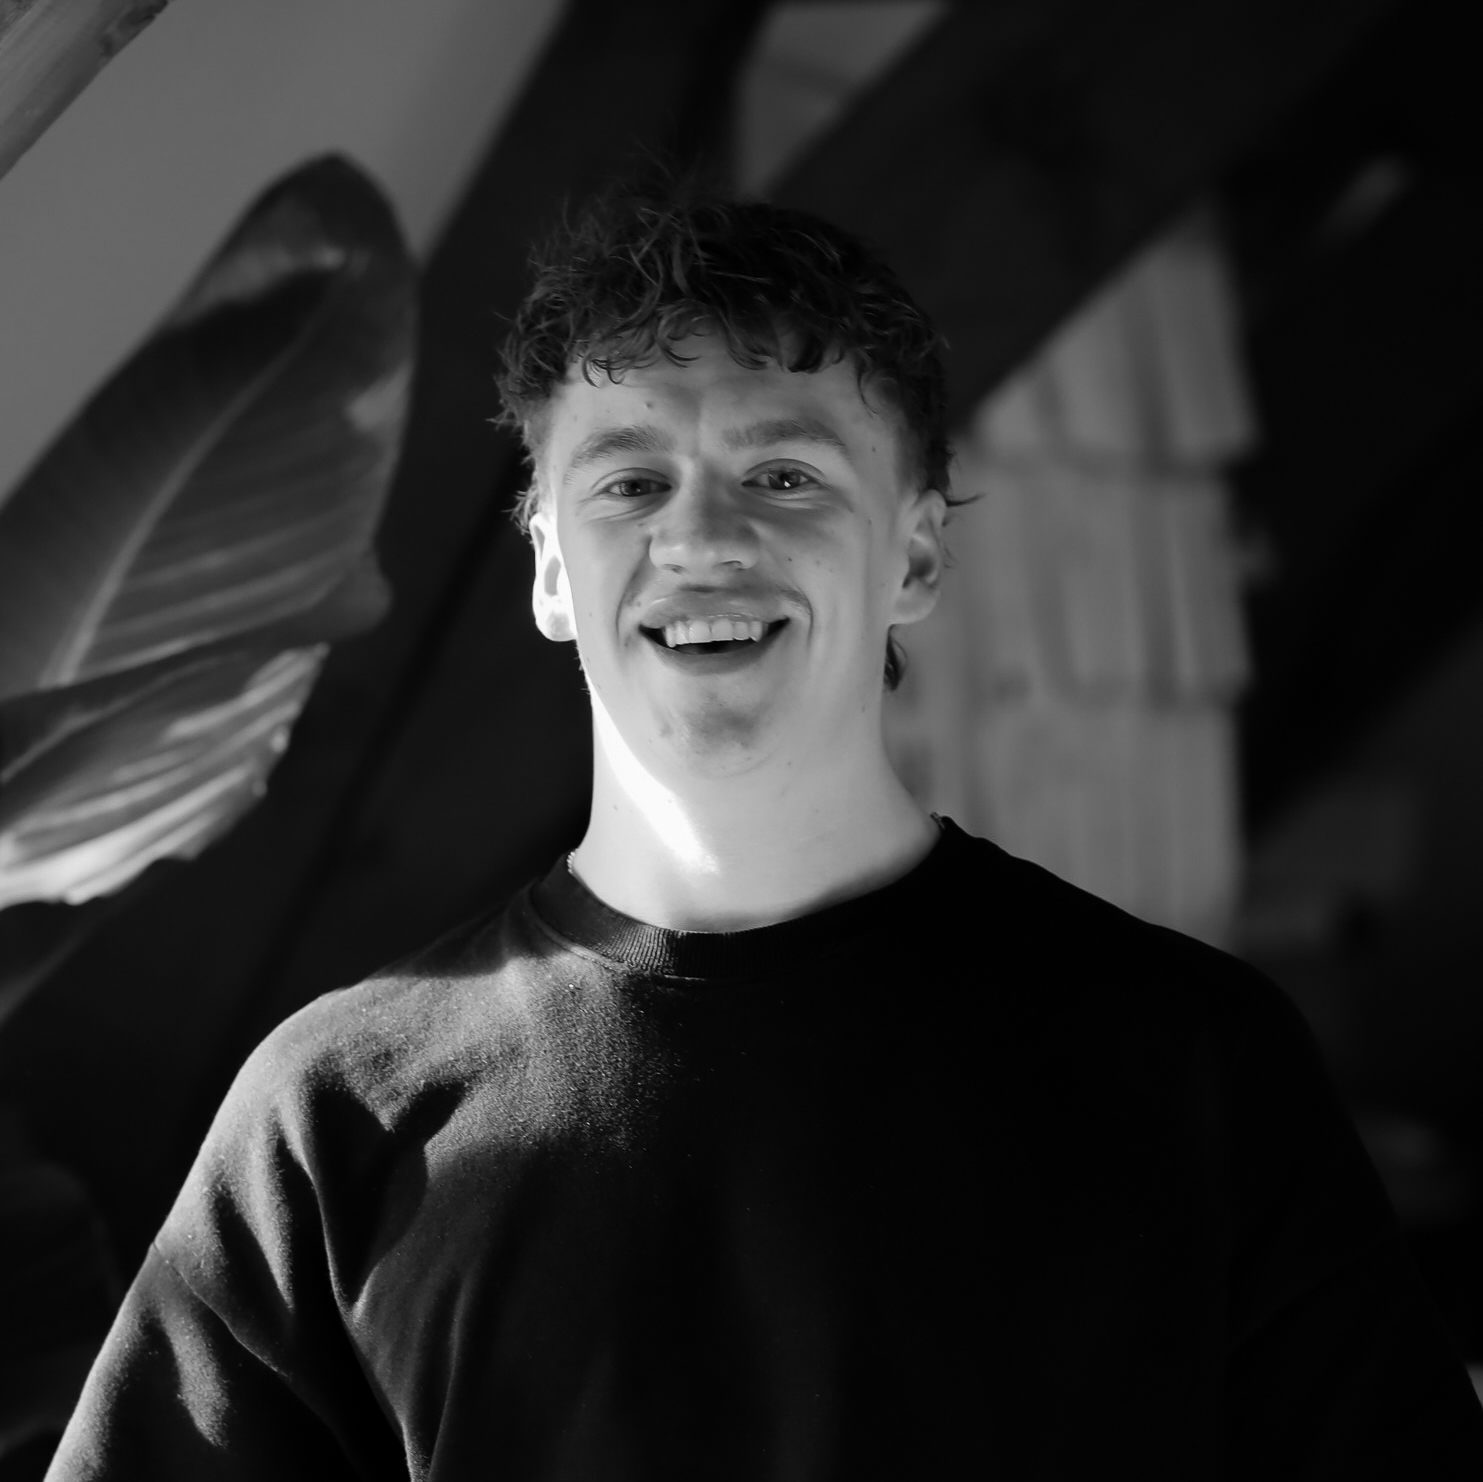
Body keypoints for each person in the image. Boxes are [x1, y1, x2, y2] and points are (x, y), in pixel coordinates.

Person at [46, 189, 1483, 1481]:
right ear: (551, 562)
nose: (701, 537)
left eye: (784, 475)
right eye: (628, 482)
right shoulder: (336, 1112)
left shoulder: (1193, 1060)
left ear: (915, 551)